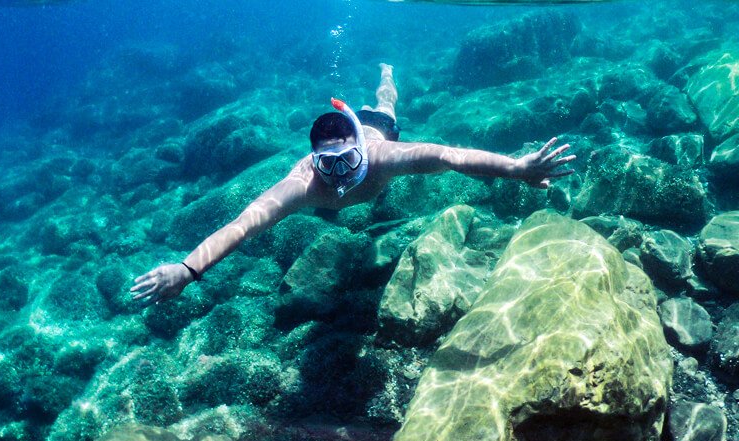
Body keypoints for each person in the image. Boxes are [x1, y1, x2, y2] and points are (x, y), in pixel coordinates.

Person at [131, 63, 575, 305]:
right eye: (329, 164)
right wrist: (188, 269)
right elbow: (243, 225)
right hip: (354, 133)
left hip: (375, 127)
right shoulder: (304, 183)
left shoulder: (381, 156)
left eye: (347, 160)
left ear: (360, 149)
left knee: (386, 105)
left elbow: (449, 156)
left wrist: (516, 168)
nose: (340, 174)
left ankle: (387, 74)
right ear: (314, 160)